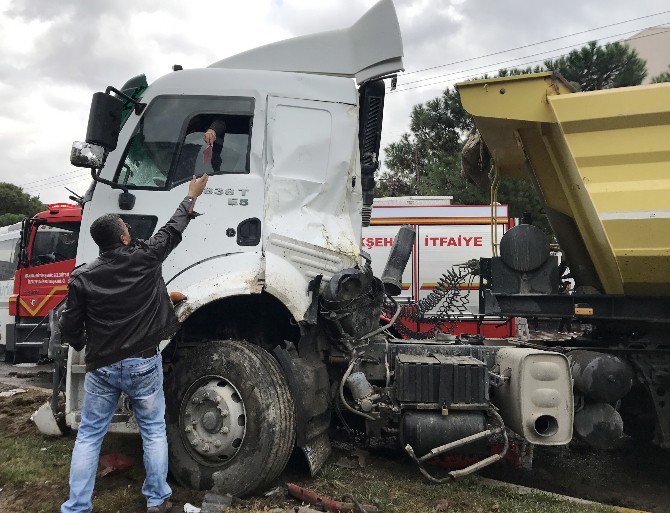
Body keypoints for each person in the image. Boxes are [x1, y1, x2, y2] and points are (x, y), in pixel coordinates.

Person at [59, 174, 209, 513]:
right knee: (153, 429)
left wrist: (84, 343)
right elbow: (173, 229)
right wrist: (191, 196)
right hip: (143, 362)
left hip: (103, 366)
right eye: (127, 227)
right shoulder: (145, 258)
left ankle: (77, 506)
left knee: (89, 435)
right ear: (124, 236)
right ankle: (157, 500)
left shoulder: (83, 277)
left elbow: (70, 325)